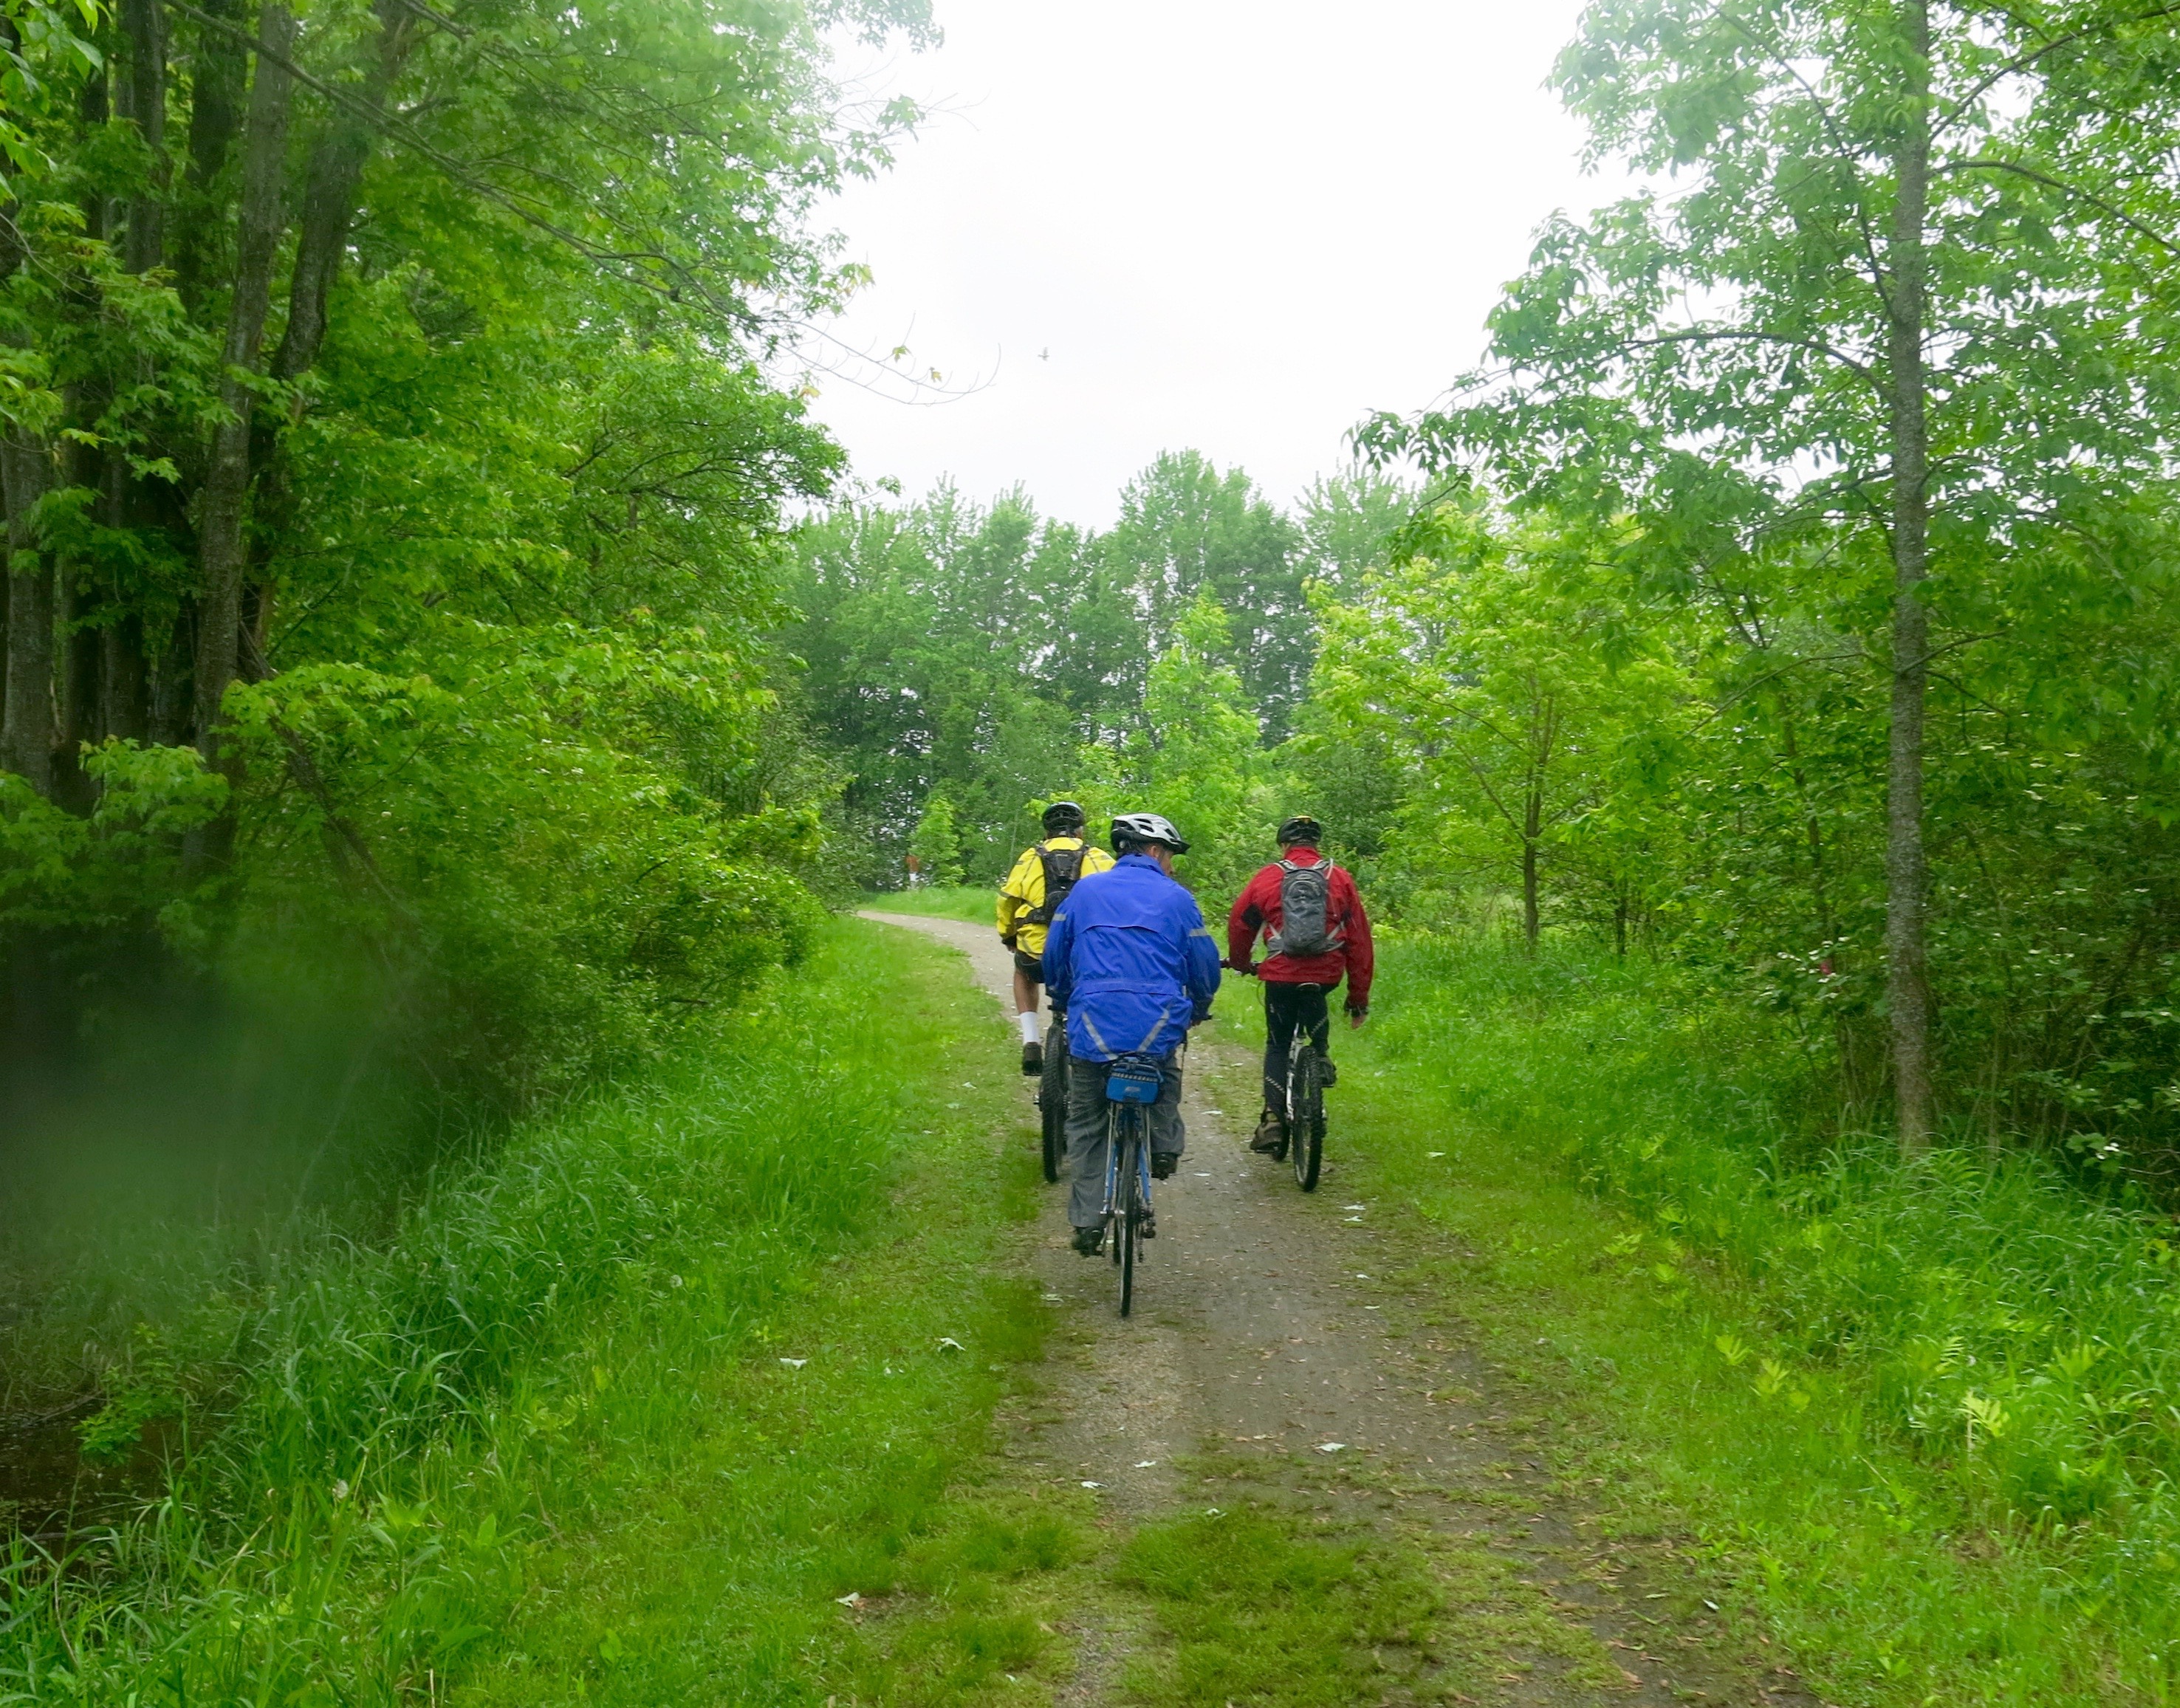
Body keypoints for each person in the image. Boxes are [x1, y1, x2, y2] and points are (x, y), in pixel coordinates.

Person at [1043, 813, 1221, 1255]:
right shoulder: (1178, 898)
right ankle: (1163, 1146)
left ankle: (1087, 1221)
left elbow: (1054, 956)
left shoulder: (1085, 891)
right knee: (1163, 1069)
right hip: (1156, 1019)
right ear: (1155, 852)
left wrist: (1063, 997)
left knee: (1086, 1121)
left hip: (1093, 1020)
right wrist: (1199, 1007)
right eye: (1171, 856)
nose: (1172, 867)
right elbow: (1204, 963)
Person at [1227, 814, 1374, 1154]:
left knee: (1279, 1044)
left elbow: (1240, 924)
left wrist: (1240, 962)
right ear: (1316, 844)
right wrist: (1358, 997)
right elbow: (1360, 942)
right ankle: (1320, 1056)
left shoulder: (1268, 877)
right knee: (1315, 992)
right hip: (1326, 975)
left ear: (1284, 845)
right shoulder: (1339, 878)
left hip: (1280, 975)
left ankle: (1272, 1120)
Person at [996, 802, 1114, 1074]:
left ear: (1047, 833)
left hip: (1038, 953)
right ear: (1080, 832)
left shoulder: (1030, 857)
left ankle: (1031, 1041)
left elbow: (1006, 901)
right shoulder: (1098, 857)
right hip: (1085, 954)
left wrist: (1009, 935)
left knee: (1022, 971)